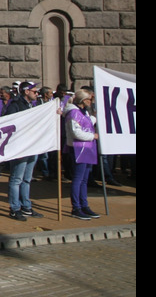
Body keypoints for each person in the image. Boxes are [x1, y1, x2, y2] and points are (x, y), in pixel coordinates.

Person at [4, 81, 44, 221]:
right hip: (20, 147)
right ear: (26, 91)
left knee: (26, 179)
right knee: (16, 179)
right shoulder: (15, 105)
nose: (37, 93)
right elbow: (9, 124)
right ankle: (15, 208)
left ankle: (26, 206)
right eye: (34, 91)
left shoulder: (34, 105)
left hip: (33, 145)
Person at [66, 89, 101, 220]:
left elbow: (87, 124)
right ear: (83, 100)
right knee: (78, 179)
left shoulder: (84, 111)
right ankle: (76, 207)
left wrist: (95, 116)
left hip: (87, 148)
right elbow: (76, 132)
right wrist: (93, 136)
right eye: (89, 100)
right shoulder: (73, 112)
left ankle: (84, 205)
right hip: (78, 148)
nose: (91, 102)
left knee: (85, 179)